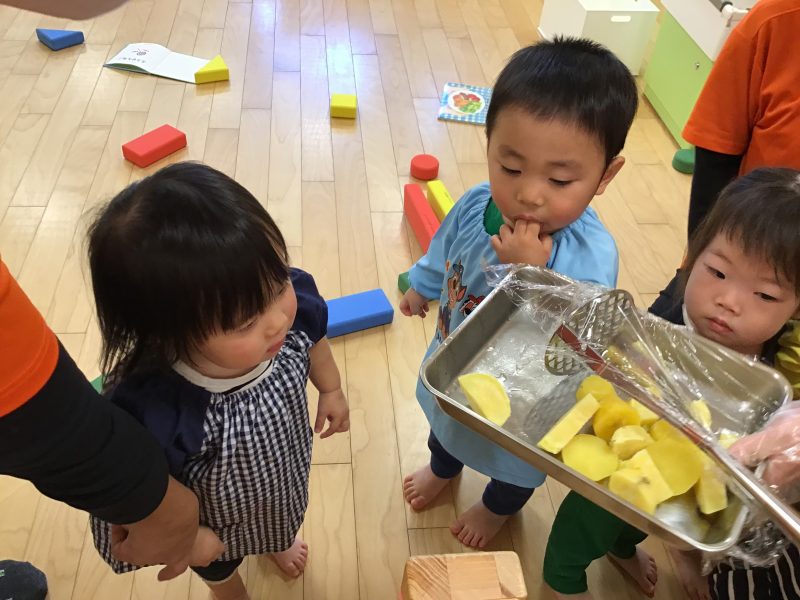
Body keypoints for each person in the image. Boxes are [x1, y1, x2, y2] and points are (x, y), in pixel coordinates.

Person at [399, 38, 638, 549]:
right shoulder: (476, 204)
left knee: (514, 467)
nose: (529, 193)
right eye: (510, 168)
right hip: (455, 362)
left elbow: (581, 339)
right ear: (489, 144)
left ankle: (495, 508)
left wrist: (530, 274)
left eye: (560, 179)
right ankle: (443, 469)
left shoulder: (590, 253)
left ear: (605, 176)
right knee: (445, 427)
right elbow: (445, 247)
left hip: (526, 403)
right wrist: (422, 285)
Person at [0, 0, 204, 581]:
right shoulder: (150, 404)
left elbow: (307, 322)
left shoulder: (288, 315)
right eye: (242, 317)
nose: (278, 320)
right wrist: (166, 511)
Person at [84, 163, 349, 600]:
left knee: (281, 515)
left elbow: (314, 339)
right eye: (245, 322)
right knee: (218, 560)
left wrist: (331, 388)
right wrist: (189, 540)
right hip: (214, 522)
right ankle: (227, 589)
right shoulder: (158, 408)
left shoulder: (291, 299)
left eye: (277, 283)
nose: (277, 320)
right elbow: (140, 493)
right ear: (169, 334)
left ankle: (275, 539)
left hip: (279, 472)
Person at [542, 168, 800, 599]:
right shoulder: (661, 328)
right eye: (717, 272)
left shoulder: (778, 367)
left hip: (680, 478)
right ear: (692, 257)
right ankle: (561, 581)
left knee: (649, 519)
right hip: (617, 464)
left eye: (766, 296)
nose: (728, 301)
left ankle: (625, 547)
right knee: (588, 526)